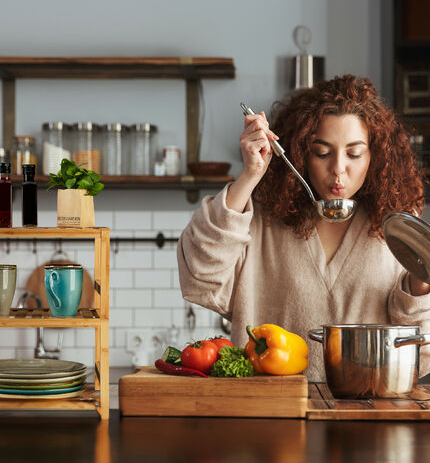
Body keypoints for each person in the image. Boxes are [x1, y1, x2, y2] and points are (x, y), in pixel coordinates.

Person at [177, 74, 430, 380]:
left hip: (366, 409)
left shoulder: (396, 230)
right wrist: (250, 176)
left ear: (374, 157)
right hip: (272, 411)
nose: (338, 168)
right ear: (300, 152)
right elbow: (200, 279)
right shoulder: (261, 221)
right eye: (322, 152)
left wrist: (422, 284)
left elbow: (419, 345)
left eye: (354, 153)